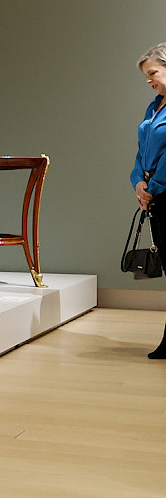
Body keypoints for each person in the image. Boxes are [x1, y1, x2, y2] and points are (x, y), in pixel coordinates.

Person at [132, 43, 166, 357]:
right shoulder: (153, 107)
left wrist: (153, 186)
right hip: (156, 197)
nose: (148, 79)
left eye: (152, 72)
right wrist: (138, 183)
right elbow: (142, 153)